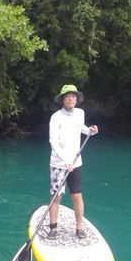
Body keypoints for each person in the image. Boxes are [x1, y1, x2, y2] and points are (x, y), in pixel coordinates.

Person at [49, 84, 98, 239]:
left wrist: (90, 131)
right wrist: (65, 161)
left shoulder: (80, 113)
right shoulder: (56, 117)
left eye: (73, 96)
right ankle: (53, 229)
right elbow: (53, 141)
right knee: (56, 197)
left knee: (77, 196)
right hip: (59, 163)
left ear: (76, 99)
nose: (71, 99)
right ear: (62, 100)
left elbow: (80, 128)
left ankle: (79, 228)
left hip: (76, 163)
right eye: (67, 96)